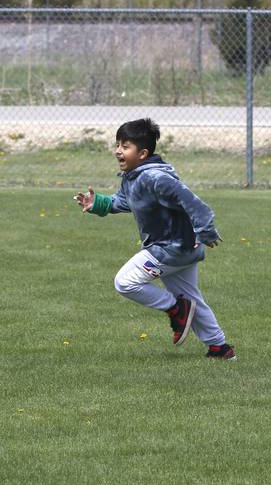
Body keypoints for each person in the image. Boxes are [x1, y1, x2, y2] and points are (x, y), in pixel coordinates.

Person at [74, 118, 236, 360]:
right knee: (192, 299)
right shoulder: (134, 176)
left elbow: (194, 204)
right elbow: (125, 201)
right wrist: (97, 203)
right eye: (118, 144)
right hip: (181, 249)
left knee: (125, 282)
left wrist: (206, 231)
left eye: (125, 146)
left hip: (171, 248)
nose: (118, 150)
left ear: (143, 153)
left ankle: (175, 309)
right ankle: (220, 349)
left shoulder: (155, 178)